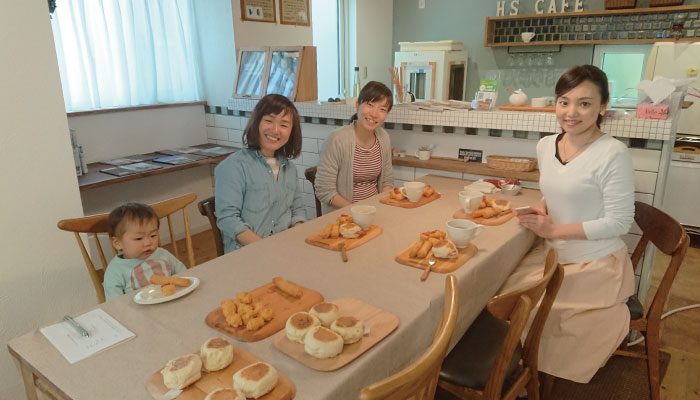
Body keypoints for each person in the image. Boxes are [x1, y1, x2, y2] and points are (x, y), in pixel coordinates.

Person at [508, 65, 636, 383]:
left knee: (533, 308)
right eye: (564, 101)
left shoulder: (612, 153)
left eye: (584, 103)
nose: (571, 112)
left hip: (594, 262)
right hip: (554, 252)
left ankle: (528, 374)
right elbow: (559, 191)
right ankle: (515, 369)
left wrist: (554, 230)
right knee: (500, 292)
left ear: (603, 106)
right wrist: (542, 207)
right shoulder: (545, 145)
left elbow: (620, 221)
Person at [215, 94, 306, 253]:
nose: (275, 130)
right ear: (257, 122)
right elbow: (228, 219)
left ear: (292, 131)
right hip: (247, 254)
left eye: (284, 125)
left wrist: (295, 235)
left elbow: (298, 210)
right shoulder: (234, 166)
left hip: (284, 248)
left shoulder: (289, 169)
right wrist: (266, 248)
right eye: (269, 121)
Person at [315, 81, 394, 210]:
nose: (374, 114)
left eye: (382, 109)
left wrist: (379, 206)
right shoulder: (337, 139)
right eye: (370, 105)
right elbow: (324, 190)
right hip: (343, 217)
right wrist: (358, 211)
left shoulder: (384, 138)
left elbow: (387, 181)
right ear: (358, 106)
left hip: (375, 212)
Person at [103, 203, 187, 300]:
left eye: (153, 235)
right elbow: (115, 303)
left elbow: (184, 275)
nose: (148, 242)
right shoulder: (115, 270)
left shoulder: (162, 254)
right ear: (118, 243)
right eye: (139, 238)